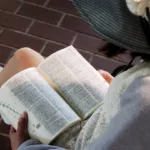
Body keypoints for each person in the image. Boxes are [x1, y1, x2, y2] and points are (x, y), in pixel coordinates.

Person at [3, 0, 150, 149]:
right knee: (25, 57)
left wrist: (23, 146)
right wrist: (118, 89)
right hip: (99, 119)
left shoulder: (144, 99)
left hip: (81, 141)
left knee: (22, 63)